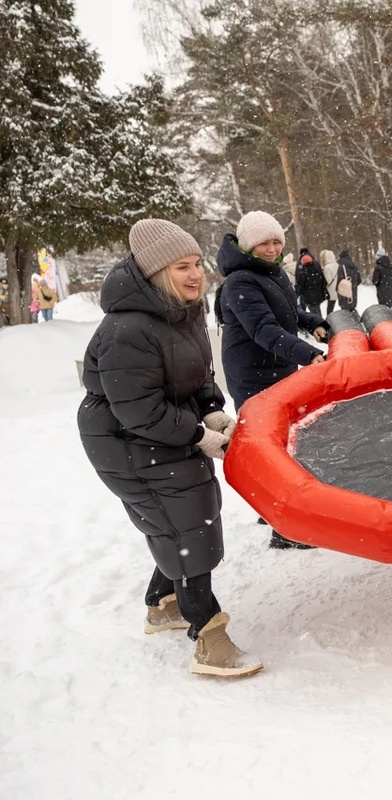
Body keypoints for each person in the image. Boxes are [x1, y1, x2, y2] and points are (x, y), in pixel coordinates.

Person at [77, 219, 262, 677]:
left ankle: (162, 603)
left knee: (190, 512)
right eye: (182, 266)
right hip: (124, 440)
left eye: (198, 263)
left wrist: (212, 410)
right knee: (186, 523)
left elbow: (197, 374)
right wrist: (200, 436)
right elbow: (138, 410)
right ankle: (208, 635)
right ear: (157, 272)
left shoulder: (183, 311)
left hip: (158, 430)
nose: (195, 274)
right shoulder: (128, 329)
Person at [216, 211, 328, 550]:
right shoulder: (240, 282)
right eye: (264, 242)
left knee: (285, 441)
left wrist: (314, 323)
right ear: (249, 244)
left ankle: (275, 511)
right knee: (272, 448)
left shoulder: (272, 273)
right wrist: (308, 354)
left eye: (277, 241)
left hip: (277, 366)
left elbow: (287, 315)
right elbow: (264, 329)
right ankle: (285, 528)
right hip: (252, 373)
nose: (272, 247)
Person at [295, 248, 326, 316]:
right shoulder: (316, 263)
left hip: (308, 295)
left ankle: (319, 324)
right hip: (318, 293)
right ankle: (321, 323)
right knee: (317, 311)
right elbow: (322, 278)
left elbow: (299, 282)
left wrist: (296, 294)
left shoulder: (301, 266)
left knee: (314, 312)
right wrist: (323, 290)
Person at [320, 249, 340, 315]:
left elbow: (328, 280)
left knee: (330, 308)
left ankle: (329, 320)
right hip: (338, 289)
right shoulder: (338, 265)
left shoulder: (327, 268)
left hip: (331, 291)